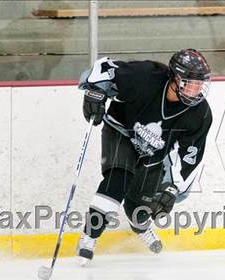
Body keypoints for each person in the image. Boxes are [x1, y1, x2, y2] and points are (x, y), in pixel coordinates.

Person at [76, 49, 213, 265]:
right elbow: (105, 68)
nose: (196, 90)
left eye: (200, 84)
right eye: (191, 83)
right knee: (117, 180)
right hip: (121, 131)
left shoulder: (200, 114)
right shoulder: (145, 77)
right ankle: (89, 237)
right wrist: (95, 91)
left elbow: (190, 157)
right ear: (175, 79)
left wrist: (173, 187)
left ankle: (140, 225)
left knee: (142, 205)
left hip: (154, 155)